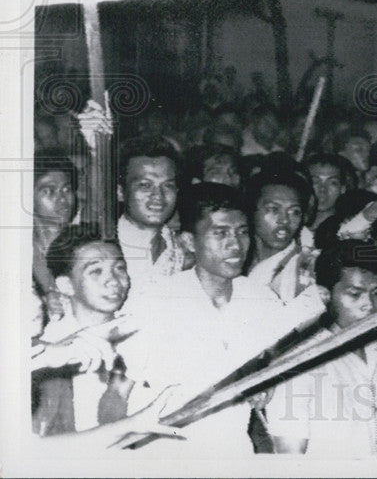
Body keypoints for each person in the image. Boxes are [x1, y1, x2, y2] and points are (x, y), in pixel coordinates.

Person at [118, 183, 292, 457]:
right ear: (188, 241)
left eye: (243, 232)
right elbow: (117, 392)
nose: (235, 244)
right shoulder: (155, 302)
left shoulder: (263, 301)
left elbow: (273, 367)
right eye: (220, 233)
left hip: (232, 453)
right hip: (160, 457)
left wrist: (267, 383)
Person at [267, 239, 377, 458]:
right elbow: (290, 453)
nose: (369, 304)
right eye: (355, 294)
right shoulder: (298, 361)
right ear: (325, 293)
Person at [33, 225, 136, 436]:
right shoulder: (49, 350)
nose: (113, 281)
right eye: (96, 271)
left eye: (119, 268)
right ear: (66, 286)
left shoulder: (140, 330)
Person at [244, 168, 326, 320]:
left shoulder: (309, 264)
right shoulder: (236, 260)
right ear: (250, 211)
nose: (285, 220)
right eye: (273, 209)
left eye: (294, 212)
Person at [114, 137, 185, 298]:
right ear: (120, 192)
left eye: (168, 186)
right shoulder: (105, 244)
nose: (158, 196)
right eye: (145, 185)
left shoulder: (181, 250)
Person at [33, 152, 79, 319]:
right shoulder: (16, 251)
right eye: (49, 191)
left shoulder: (84, 245)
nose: (62, 199)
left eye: (66, 189)